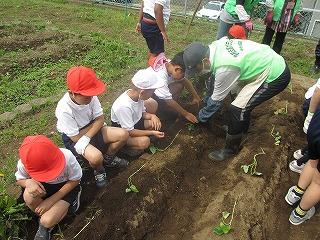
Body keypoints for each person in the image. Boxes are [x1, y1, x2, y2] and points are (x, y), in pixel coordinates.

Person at [183, 38, 291, 161]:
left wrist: (200, 118)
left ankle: (231, 149)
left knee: (238, 108)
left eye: (197, 69)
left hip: (274, 73)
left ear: (205, 60)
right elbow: (214, 83)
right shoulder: (215, 46)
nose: (197, 72)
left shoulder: (225, 67)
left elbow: (216, 101)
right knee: (236, 96)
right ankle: (240, 130)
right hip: (260, 63)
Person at [55, 66, 129, 188]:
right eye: (86, 96)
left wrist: (88, 134)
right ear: (72, 93)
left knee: (123, 134)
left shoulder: (91, 97)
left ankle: (109, 158)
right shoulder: (64, 109)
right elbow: (75, 137)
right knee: (95, 157)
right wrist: (92, 128)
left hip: (89, 131)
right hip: (76, 139)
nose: (90, 98)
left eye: (91, 95)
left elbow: (100, 119)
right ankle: (99, 170)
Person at [16, 135, 82, 240]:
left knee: (46, 221)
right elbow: (19, 179)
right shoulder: (23, 164)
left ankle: (49, 221)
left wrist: (51, 201)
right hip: (44, 188)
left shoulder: (67, 156)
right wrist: (28, 182)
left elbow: (75, 180)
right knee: (28, 197)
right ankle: (47, 216)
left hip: (66, 188)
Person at [285, 86, 320, 225]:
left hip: (317, 128)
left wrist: (310, 117)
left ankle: (296, 193)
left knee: (313, 160)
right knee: (318, 182)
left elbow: (318, 92)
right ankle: (299, 214)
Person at [111, 68, 165, 155]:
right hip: (124, 132)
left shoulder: (138, 96)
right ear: (143, 92)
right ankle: (124, 148)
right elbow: (130, 131)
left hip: (135, 123)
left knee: (155, 124)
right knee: (145, 141)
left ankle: (140, 140)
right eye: (152, 91)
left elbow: (142, 113)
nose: (153, 94)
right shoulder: (123, 106)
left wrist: (152, 116)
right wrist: (151, 132)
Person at [151, 52, 200, 123]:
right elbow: (169, 100)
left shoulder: (169, 64)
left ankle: (173, 106)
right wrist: (186, 114)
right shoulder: (161, 77)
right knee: (172, 114)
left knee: (179, 85)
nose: (183, 77)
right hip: (150, 98)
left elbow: (185, 81)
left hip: (160, 93)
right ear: (177, 69)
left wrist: (196, 96)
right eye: (183, 75)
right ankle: (160, 113)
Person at [289, 78, 320, 173]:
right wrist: (310, 116)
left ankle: (304, 153)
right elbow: (318, 91)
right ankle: (303, 162)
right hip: (314, 104)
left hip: (314, 105)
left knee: (316, 139)